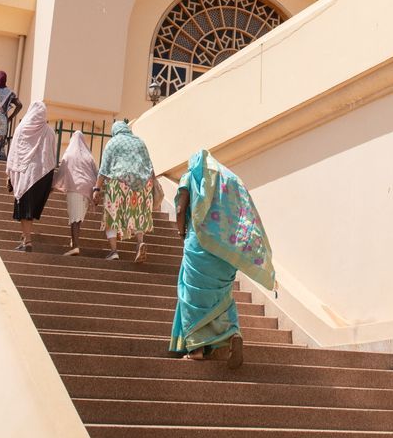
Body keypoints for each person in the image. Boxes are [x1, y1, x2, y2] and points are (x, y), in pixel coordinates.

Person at [169, 148, 274, 368]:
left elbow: (179, 209)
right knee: (222, 297)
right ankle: (233, 333)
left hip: (199, 245)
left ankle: (196, 349)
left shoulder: (190, 176)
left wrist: (181, 232)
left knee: (193, 296)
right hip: (224, 250)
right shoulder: (229, 181)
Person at [93, 120, 160, 263]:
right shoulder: (140, 142)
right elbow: (149, 166)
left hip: (118, 183)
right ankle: (139, 243)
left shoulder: (113, 142)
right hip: (141, 185)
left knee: (111, 217)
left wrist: (97, 188)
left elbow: (104, 169)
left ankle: (114, 251)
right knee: (137, 214)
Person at [5, 99, 56, 252]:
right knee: (31, 209)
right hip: (43, 175)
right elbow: (52, 154)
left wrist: (9, 174)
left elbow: (15, 152)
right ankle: (24, 237)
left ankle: (27, 241)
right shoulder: (49, 131)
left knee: (24, 208)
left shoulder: (21, 128)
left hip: (26, 174)